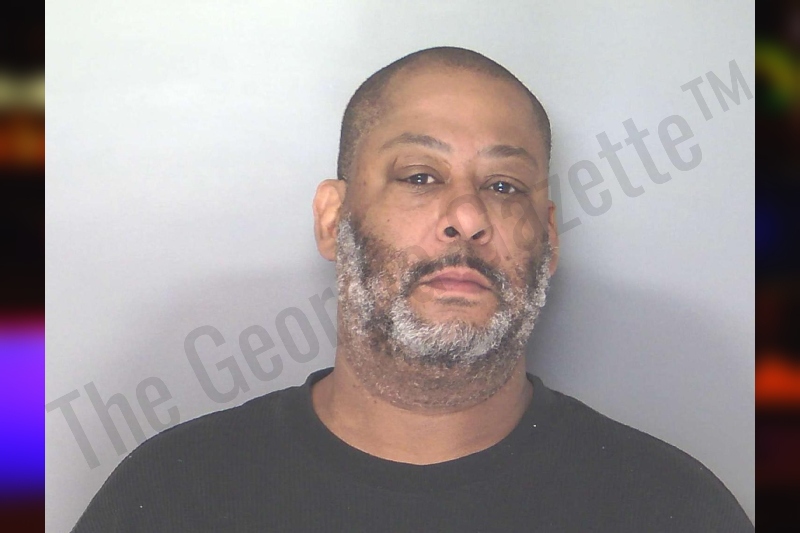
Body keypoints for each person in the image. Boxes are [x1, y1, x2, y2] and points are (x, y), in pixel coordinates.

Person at [72, 46, 753, 532]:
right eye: (420, 177)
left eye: (504, 185)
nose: (468, 216)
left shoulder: (673, 508)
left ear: (548, 238)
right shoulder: (173, 495)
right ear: (333, 219)